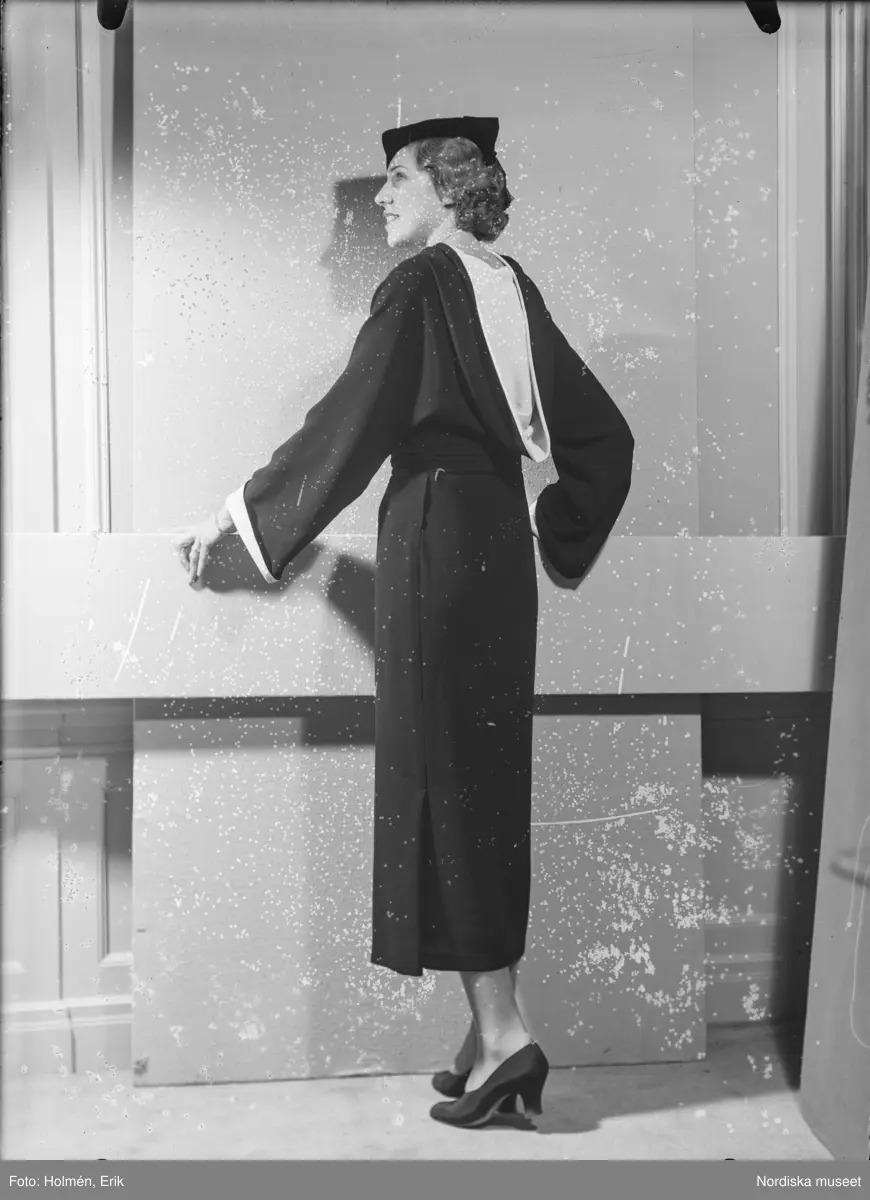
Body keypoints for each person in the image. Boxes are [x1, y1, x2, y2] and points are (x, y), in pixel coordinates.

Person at [170, 115, 635, 1128]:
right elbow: (606, 435)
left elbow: (348, 425)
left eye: (396, 177)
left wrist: (241, 519)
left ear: (449, 185)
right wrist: (560, 525)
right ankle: (486, 1032)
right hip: (499, 543)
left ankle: (505, 1036)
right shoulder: (513, 285)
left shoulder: (421, 284)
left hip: (432, 536)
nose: (380, 197)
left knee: (443, 777)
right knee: (487, 777)